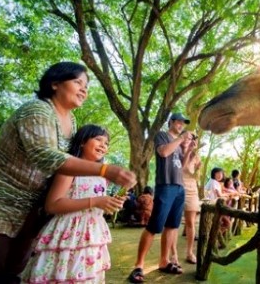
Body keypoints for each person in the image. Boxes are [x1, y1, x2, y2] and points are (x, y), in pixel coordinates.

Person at [0, 62, 136, 284]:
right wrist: (106, 170)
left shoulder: (72, 121)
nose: (84, 90)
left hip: (32, 210)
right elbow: (46, 156)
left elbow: (72, 165)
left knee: (13, 272)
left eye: (86, 86)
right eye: (78, 82)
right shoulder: (37, 110)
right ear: (55, 83)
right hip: (0, 202)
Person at [22, 124, 126, 283]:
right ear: (82, 142)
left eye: (106, 143)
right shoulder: (69, 168)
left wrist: (111, 204)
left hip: (92, 237)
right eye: (98, 139)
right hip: (67, 235)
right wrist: (96, 201)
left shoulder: (103, 176)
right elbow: (52, 205)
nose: (103, 145)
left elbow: (98, 208)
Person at [128, 113, 193, 283]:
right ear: (171, 122)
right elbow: (164, 153)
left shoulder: (178, 144)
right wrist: (181, 139)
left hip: (179, 187)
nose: (181, 125)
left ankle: (164, 261)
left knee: (172, 226)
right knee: (154, 226)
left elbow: (182, 167)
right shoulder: (162, 136)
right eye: (178, 121)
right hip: (165, 185)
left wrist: (188, 149)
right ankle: (138, 266)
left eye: (183, 123)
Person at [170, 134, 201, 265]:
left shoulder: (197, 157)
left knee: (191, 223)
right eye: (186, 138)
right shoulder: (174, 151)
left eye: (190, 139)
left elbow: (197, 176)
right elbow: (181, 168)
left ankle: (189, 252)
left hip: (192, 190)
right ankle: (173, 255)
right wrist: (188, 152)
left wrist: (198, 171)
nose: (187, 141)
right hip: (176, 188)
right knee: (174, 224)